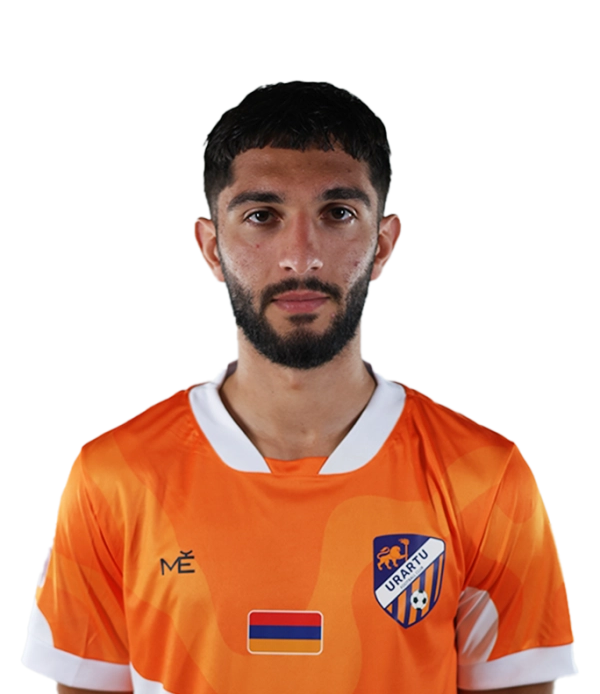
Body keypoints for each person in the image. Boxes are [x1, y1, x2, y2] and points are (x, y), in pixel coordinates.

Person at [22, 81, 577, 694]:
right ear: (211, 245)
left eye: (337, 213)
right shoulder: (115, 477)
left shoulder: (486, 478)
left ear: (383, 243)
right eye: (262, 216)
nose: (301, 257)